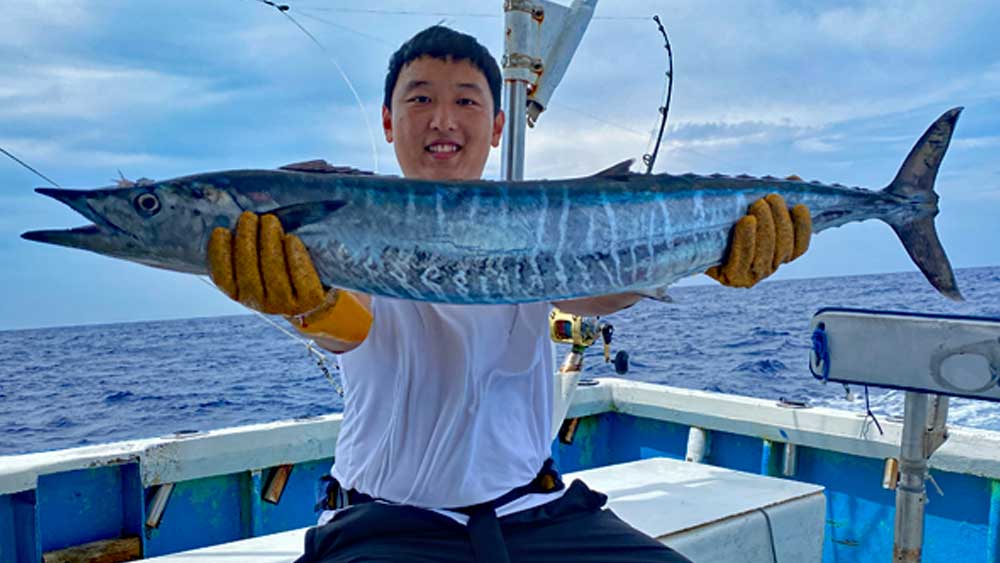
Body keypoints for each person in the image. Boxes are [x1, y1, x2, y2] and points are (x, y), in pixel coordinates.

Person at [208, 25, 811, 563]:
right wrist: (301, 301)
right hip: (383, 523)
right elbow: (349, 326)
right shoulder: (343, 217)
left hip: (537, 513)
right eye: (420, 98)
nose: (443, 119)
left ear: (497, 127)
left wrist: (711, 252)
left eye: (466, 101)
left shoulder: (534, 223)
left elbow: (598, 294)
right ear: (388, 121)